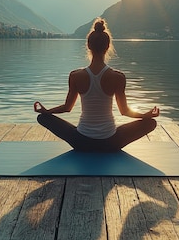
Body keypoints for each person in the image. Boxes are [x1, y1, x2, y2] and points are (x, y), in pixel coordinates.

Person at [34, 18, 159, 152]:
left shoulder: (75, 76)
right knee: (151, 123)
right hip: (111, 142)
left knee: (43, 118)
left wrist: (47, 112)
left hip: (81, 141)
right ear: (108, 46)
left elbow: (67, 108)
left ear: (88, 45)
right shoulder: (118, 77)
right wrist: (146, 115)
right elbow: (125, 111)